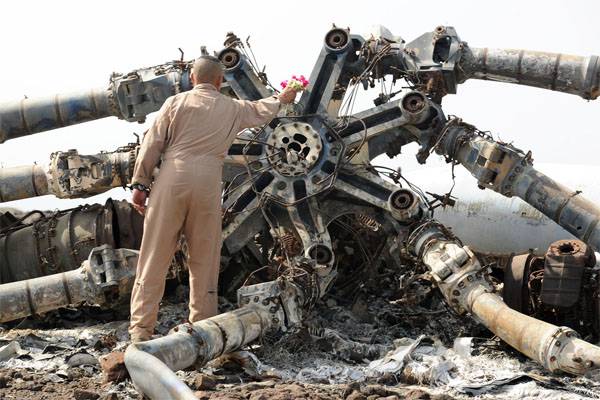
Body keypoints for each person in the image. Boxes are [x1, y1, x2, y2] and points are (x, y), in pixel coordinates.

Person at [128, 55, 299, 342]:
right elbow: (262, 110)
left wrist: (140, 183)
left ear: (192, 79)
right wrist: (283, 97)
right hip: (208, 183)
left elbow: (152, 143)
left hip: (173, 178)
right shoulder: (232, 107)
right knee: (204, 261)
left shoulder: (175, 103)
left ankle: (140, 333)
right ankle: (202, 333)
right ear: (221, 81)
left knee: (154, 258)